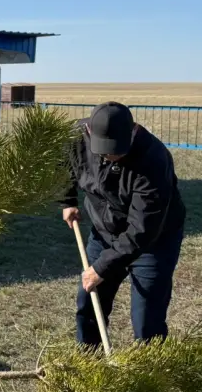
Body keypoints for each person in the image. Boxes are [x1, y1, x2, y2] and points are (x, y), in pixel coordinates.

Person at [59, 102, 186, 348]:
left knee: (147, 319)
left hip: (154, 241)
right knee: (89, 304)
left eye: (117, 150)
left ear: (133, 131)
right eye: (104, 151)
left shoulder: (154, 159)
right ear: (89, 133)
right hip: (105, 232)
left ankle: (147, 377)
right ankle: (88, 368)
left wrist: (101, 268)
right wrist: (67, 200)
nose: (111, 156)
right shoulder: (76, 137)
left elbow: (142, 230)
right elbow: (64, 164)